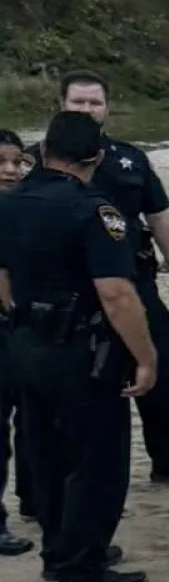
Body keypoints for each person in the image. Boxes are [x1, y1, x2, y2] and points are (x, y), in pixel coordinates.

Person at [29, 71, 169, 487]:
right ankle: (52, 479)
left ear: (108, 107)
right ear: (60, 104)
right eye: (77, 102)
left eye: (94, 102)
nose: (86, 110)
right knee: (67, 388)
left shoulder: (130, 158)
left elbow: (160, 217)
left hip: (133, 282)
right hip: (66, 294)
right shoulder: (34, 161)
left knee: (160, 375)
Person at [0, 112, 159, 582]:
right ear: (97, 158)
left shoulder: (12, 202)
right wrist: (147, 358)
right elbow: (117, 295)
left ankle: (58, 551)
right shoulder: (95, 211)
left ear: (43, 151)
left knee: (44, 452)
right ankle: (81, 570)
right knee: (96, 461)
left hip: (25, 343)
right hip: (81, 349)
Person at [0, 127, 33, 555]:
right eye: (1, 163)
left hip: (23, 334)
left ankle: (37, 501)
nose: (10, 171)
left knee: (31, 423)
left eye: (17, 162)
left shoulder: (28, 211)